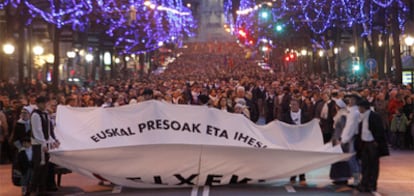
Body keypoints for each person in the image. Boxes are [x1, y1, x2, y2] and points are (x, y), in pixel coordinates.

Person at [355, 99, 389, 193]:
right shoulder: (362, 117)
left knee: (373, 165)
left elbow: (379, 130)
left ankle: (371, 185)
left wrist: (376, 142)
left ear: (363, 107)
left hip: (372, 144)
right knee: (365, 165)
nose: (358, 109)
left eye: (359, 107)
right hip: (365, 143)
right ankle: (364, 183)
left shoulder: (374, 116)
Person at [30, 96, 60, 194]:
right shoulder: (35, 115)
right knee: (38, 168)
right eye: (42, 103)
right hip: (38, 145)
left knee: (45, 168)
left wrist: (53, 140)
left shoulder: (46, 114)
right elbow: (37, 131)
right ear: (38, 104)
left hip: (45, 144)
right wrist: (43, 144)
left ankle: (42, 189)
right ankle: (33, 190)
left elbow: (48, 130)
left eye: (45, 103)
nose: (44, 105)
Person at [280, 98, 312, 185]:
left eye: (294, 104)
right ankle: (293, 176)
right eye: (291, 105)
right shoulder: (285, 115)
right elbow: (282, 126)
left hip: (302, 140)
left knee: (302, 158)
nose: (292, 106)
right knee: (293, 158)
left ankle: (302, 177)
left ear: (298, 105)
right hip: (291, 140)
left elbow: (309, 127)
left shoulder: (305, 115)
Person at [329, 99, 352, 187]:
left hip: (340, 140)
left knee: (341, 160)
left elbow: (341, 129)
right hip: (340, 139)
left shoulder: (342, 115)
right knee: (339, 160)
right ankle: (339, 178)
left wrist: (338, 139)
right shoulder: (344, 114)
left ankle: (342, 178)